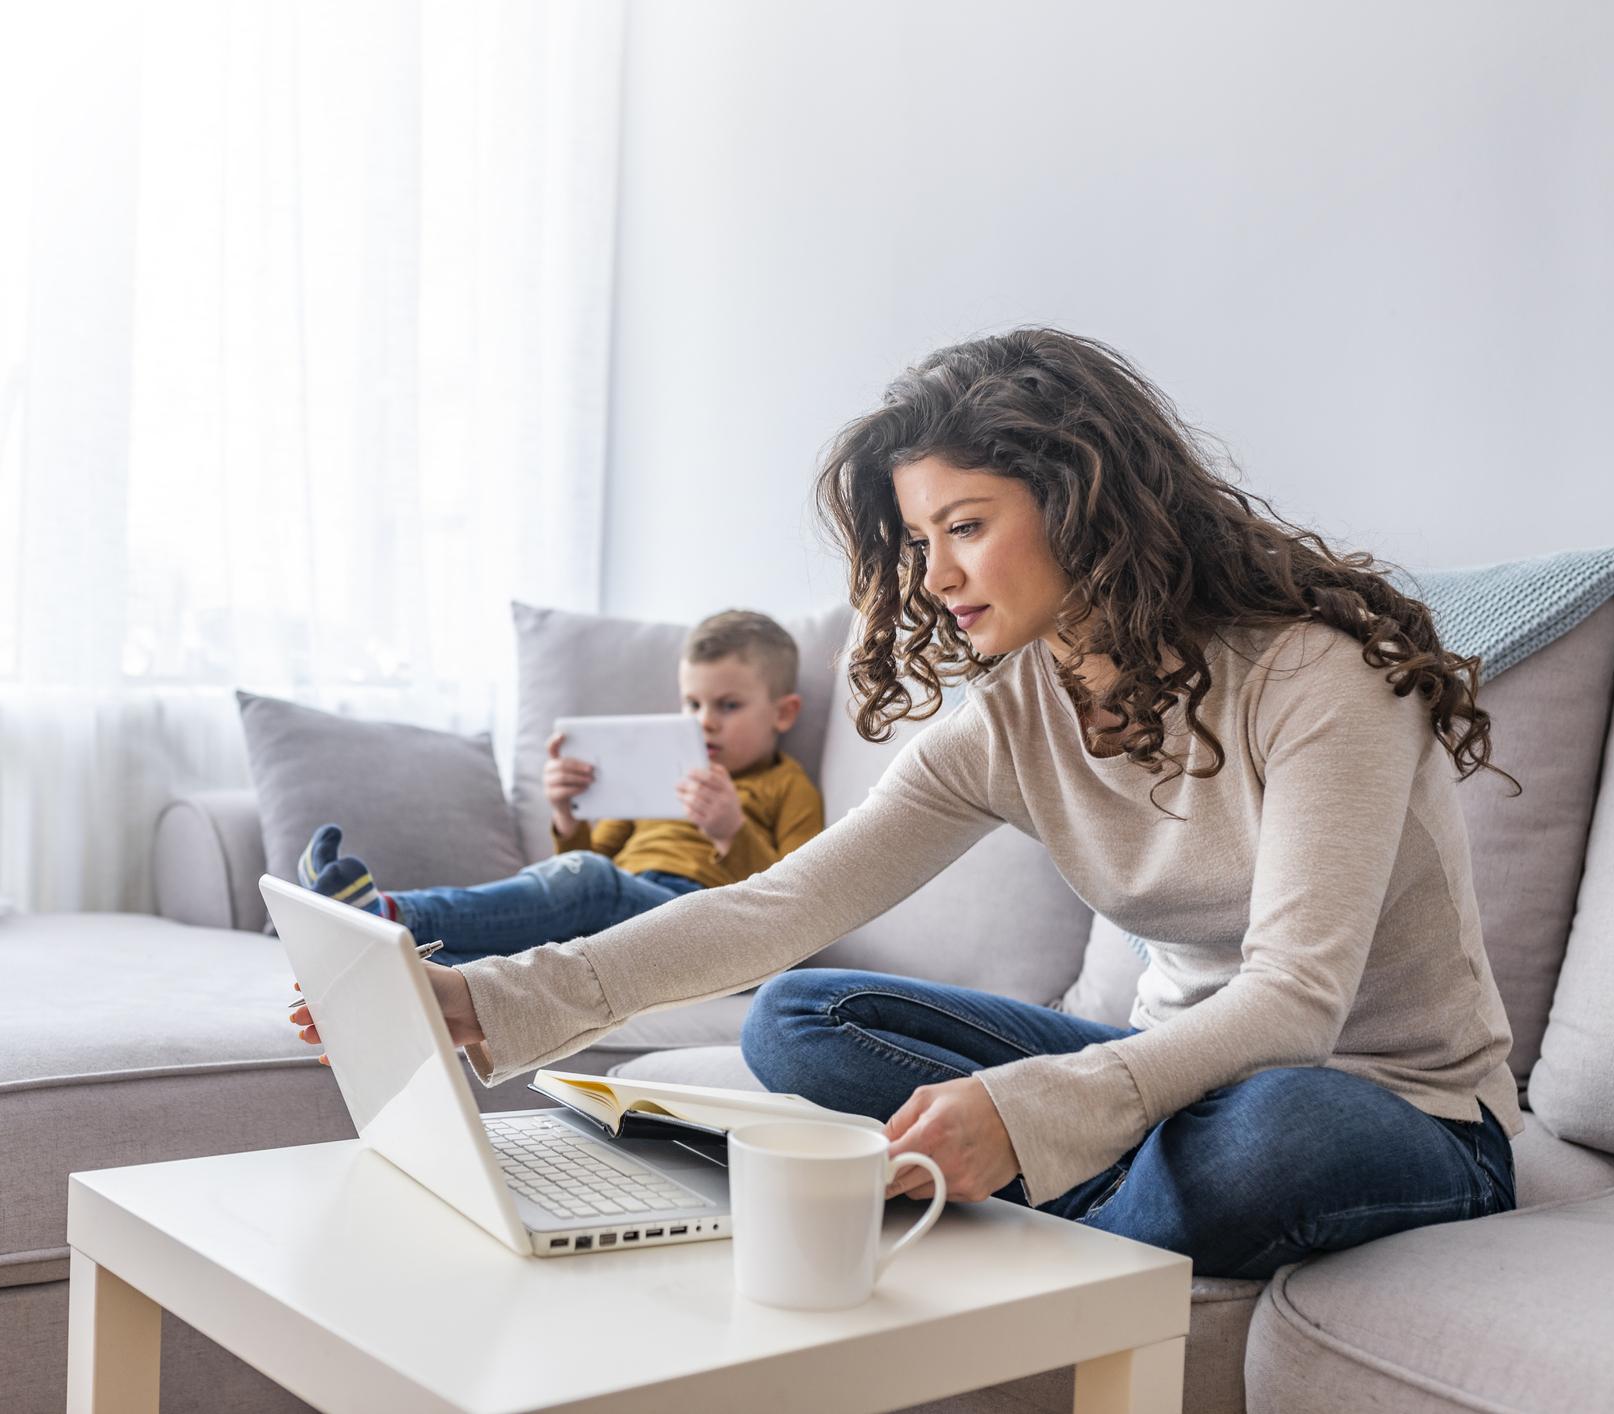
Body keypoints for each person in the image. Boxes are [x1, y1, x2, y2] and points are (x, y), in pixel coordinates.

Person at [292, 328, 1521, 1278]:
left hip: (1386, 1102)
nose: (931, 579)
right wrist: (490, 996)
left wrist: (1041, 1108)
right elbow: (780, 904)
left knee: (1272, 1137)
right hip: (1160, 1079)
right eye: (916, 539)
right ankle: (1085, 1190)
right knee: (799, 1017)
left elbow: (1294, 1002)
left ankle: (1035, 1213)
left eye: (965, 527)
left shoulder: (1317, 679)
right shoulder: (1013, 716)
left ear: (1085, 503)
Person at [296, 610, 825, 964]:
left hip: (706, 923)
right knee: (521, 958)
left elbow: (793, 907)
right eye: (693, 703)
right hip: (620, 910)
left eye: (728, 706)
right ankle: (378, 958)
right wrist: (569, 816)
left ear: (784, 713)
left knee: (589, 880)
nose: (704, 721)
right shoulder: (664, 763)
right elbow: (591, 861)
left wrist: (732, 833)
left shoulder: (786, 785)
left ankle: (385, 916)